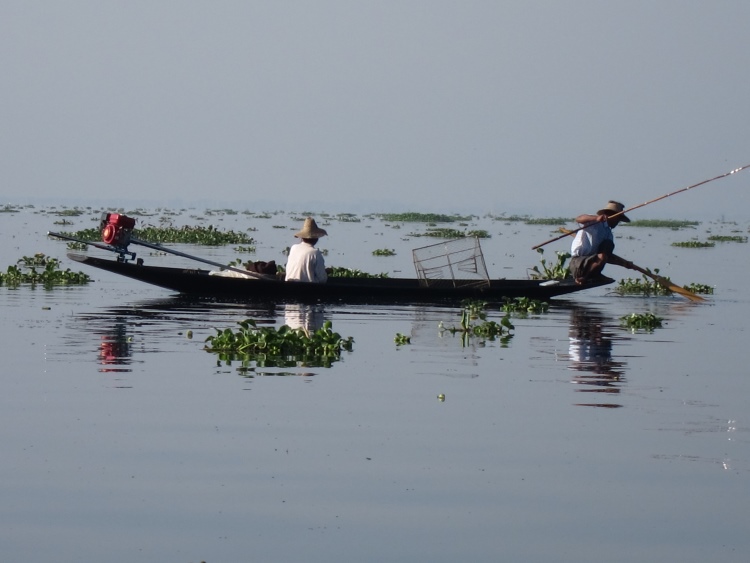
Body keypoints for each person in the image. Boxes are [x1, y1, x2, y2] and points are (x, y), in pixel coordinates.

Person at [569, 200, 634, 284]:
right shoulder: (594, 222)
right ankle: (583, 278)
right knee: (604, 252)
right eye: (618, 219)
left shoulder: (608, 234)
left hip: (591, 264)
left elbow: (607, 257)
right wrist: (596, 218)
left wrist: (624, 264)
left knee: (608, 245)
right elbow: (579, 219)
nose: (618, 222)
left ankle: (595, 274)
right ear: (612, 216)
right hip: (578, 264)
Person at [284, 217, 328, 283]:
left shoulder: (294, 248)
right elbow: (322, 279)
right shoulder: (315, 253)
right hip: (306, 289)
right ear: (316, 238)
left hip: (288, 284)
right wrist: (326, 273)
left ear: (302, 238)